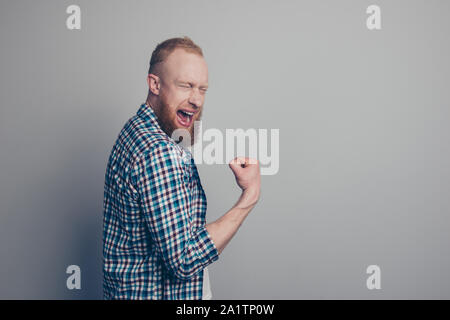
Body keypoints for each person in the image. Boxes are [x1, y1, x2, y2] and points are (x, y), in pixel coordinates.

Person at [103, 36, 261, 300]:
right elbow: (185, 259)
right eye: (186, 86)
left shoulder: (137, 129)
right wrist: (250, 196)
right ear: (155, 83)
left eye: (202, 89)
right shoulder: (158, 152)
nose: (196, 100)